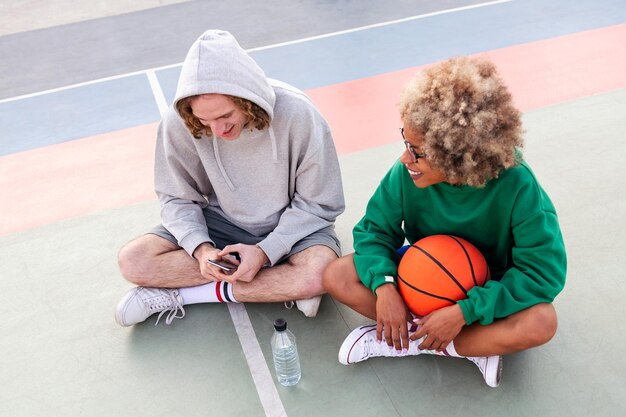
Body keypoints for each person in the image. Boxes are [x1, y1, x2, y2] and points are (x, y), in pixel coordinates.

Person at [322, 56, 566, 387]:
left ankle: (407, 341)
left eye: (417, 150)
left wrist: (465, 312)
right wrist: (385, 287)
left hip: (488, 285)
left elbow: (542, 273)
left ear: (457, 156)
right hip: (424, 274)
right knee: (337, 275)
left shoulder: (518, 185)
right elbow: (374, 232)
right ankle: (465, 345)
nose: (406, 157)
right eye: (405, 142)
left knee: (541, 322)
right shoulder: (405, 174)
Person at [115, 29, 345, 326]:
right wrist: (201, 250)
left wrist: (265, 252)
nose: (217, 130)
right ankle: (280, 286)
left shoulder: (299, 113)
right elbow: (177, 196)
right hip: (222, 224)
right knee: (133, 260)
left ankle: (185, 294)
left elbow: (320, 204)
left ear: (247, 99)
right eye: (204, 120)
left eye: (225, 116)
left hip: (296, 227)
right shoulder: (178, 122)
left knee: (322, 273)